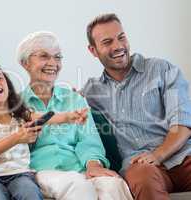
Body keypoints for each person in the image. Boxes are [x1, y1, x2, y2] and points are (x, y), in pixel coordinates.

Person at [82, 13, 191, 200]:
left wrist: (158, 155)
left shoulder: (162, 69)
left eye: (121, 37)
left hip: (183, 155)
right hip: (140, 165)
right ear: (93, 50)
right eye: (107, 42)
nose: (118, 46)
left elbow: (182, 124)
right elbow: (69, 117)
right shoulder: (92, 91)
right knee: (142, 177)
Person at [17, 31, 133, 200]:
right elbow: (15, 150)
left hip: (78, 168)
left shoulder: (74, 99)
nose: (53, 63)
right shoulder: (16, 104)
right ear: (25, 63)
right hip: (42, 170)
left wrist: (93, 165)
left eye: (57, 57)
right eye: (44, 56)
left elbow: (89, 140)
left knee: (113, 184)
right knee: (77, 184)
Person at [0, 58, 89, 200]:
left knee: (30, 193)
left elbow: (46, 117)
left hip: (21, 174)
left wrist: (70, 116)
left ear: (8, 85)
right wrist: (16, 138)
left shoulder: (20, 113)